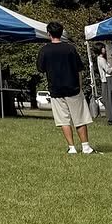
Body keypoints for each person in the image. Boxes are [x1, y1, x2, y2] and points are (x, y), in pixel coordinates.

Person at [37, 22, 94, 155]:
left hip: (56, 89)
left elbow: (41, 68)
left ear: (48, 34)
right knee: (79, 118)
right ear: (61, 33)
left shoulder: (44, 50)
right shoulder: (70, 49)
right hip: (73, 88)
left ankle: (72, 147)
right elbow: (79, 69)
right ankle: (86, 146)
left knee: (63, 120)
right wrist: (80, 86)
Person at [96, 43, 112, 125]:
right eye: (103, 48)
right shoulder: (101, 59)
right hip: (107, 80)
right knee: (110, 99)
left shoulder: (102, 59)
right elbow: (109, 71)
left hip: (108, 80)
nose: (104, 49)